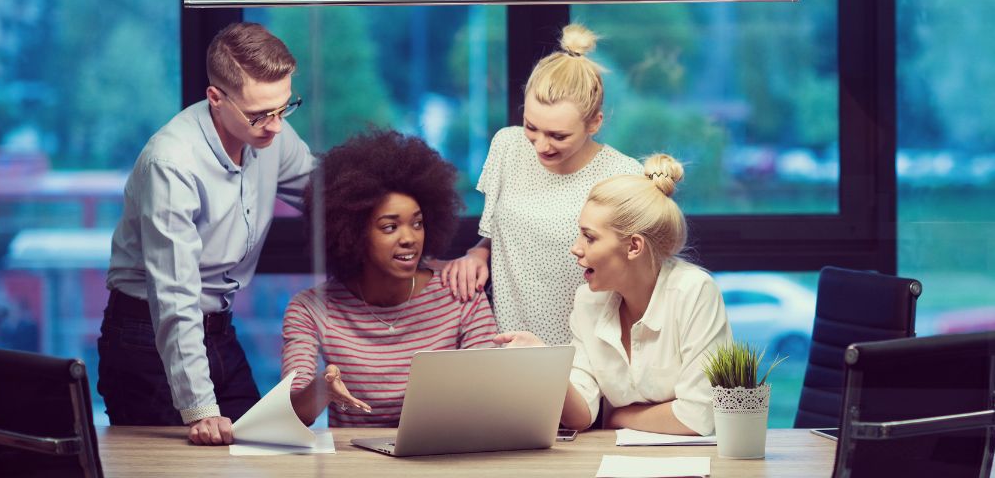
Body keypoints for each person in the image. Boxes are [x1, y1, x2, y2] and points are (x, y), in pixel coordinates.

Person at [99, 22, 314, 445]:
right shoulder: (172, 163)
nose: (275, 126)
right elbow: (174, 295)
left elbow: (328, 193)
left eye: (284, 108)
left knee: (267, 450)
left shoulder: (272, 132)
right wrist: (199, 408)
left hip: (218, 331)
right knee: (184, 470)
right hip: (147, 337)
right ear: (215, 98)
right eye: (260, 115)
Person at [496, 154, 733, 436]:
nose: (575, 248)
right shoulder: (588, 301)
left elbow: (698, 417)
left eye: (589, 237)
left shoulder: (694, 291)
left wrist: (619, 417)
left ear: (634, 246)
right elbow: (582, 414)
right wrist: (543, 363)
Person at [439, 23, 642, 346]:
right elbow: (504, 234)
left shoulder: (623, 173)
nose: (541, 145)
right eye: (531, 126)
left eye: (558, 136)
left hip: (589, 348)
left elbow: (636, 273)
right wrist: (478, 254)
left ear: (595, 123)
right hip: (509, 343)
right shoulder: (507, 145)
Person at [281, 130, 498, 428]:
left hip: (443, 458)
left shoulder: (458, 289)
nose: (409, 238)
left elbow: (491, 396)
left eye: (417, 223)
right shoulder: (311, 308)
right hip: (355, 467)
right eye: (389, 227)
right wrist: (322, 389)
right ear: (353, 233)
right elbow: (290, 415)